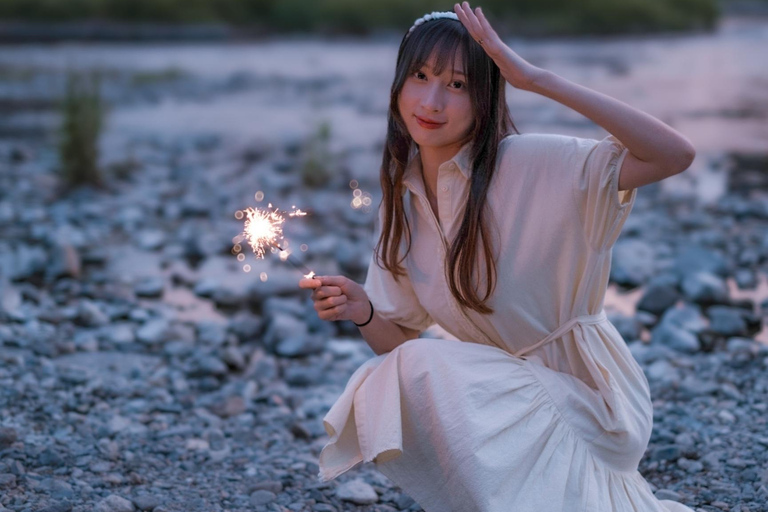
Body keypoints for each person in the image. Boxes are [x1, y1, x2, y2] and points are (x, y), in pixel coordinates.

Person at [299, 2, 696, 510]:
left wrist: (538, 80)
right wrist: (363, 311)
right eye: (420, 76)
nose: (433, 101)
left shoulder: (531, 163)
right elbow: (397, 342)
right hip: (501, 402)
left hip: (593, 400)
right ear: (398, 84)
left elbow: (673, 154)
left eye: (458, 85)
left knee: (421, 363)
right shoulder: (405, 200)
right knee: (398, 369)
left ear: (487, 97)